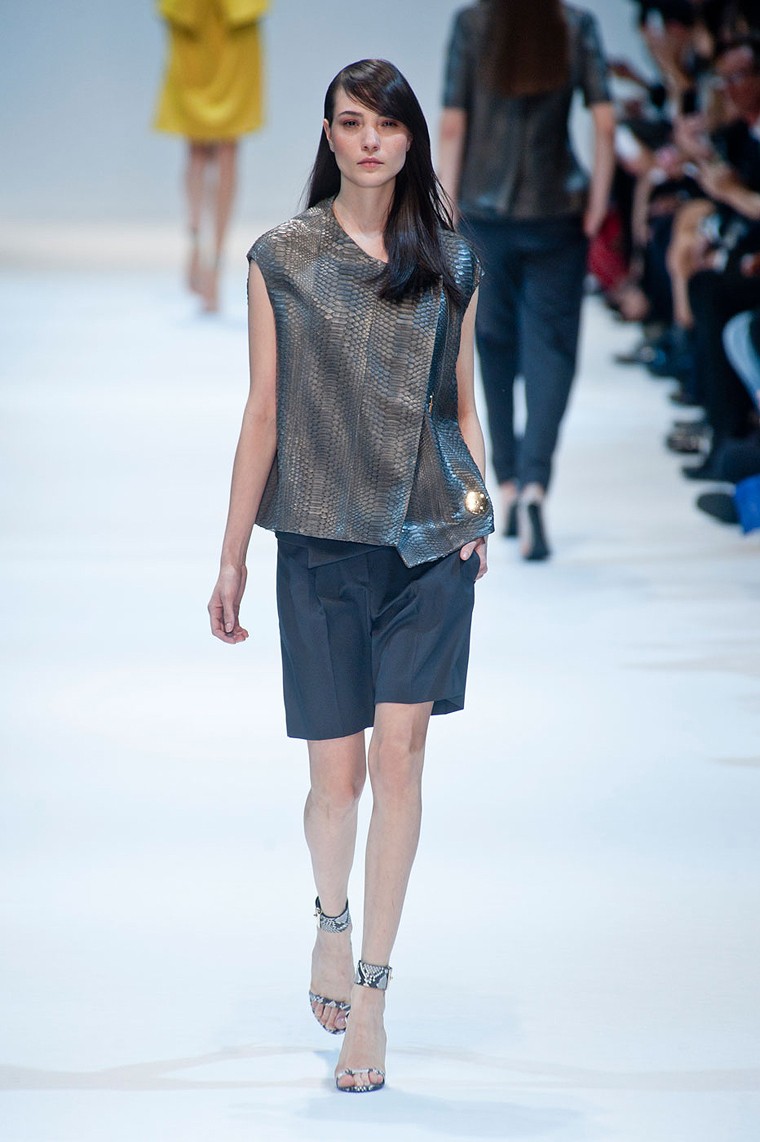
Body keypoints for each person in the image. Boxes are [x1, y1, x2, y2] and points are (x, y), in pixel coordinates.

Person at [207, 59, 493, 1093]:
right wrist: (233, 553)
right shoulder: (282, 257)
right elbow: (262, 411)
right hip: (321, 542)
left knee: (400, 762)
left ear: (411, 138)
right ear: (328, 136)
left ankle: (371, 994)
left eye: (387, 124)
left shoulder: (451, 259)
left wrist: (478, 509)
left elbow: (460, 404)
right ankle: (330, 918)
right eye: (351, 122)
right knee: (336, 784)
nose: (370, 141)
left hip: (427, 541)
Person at [439, 0, 615, 559]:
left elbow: (452, 123)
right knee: (552, 348)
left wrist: (446, 208)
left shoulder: (473, 24)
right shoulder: (576, 25)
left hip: (485, 212)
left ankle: (509, 482)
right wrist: (600, 201)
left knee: (493, 344)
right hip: (557, 209)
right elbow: (605, 122)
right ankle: (537, 485)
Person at [154, 0, 269, 312]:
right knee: (201, 145)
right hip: (199, 16)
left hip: (232, 17)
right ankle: (202, 252)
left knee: (217, 146)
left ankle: (210, 260)